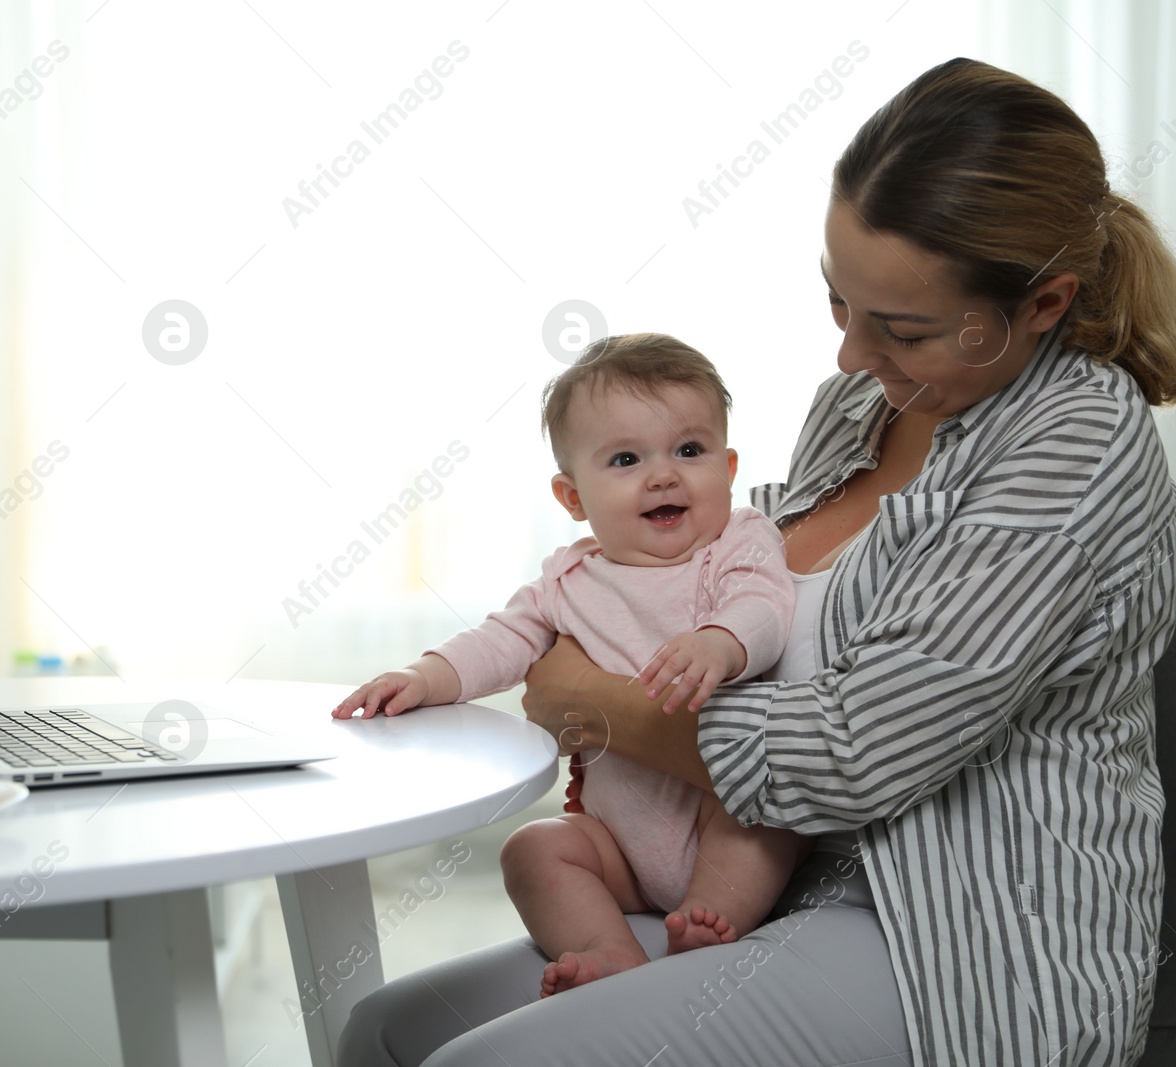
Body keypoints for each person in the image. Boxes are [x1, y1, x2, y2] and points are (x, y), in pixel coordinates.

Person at [337, 57, 1176, 1067]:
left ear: (1042, 305)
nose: (847, 358)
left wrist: (590, 699)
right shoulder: (869, 402)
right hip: (766, 876)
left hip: (953, 930)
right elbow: (744, 556)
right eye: (839, 304)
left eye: (898, 327)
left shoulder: (1074, 445)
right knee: (384, 1032)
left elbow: (853, 752)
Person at [335, 334, 801, 996]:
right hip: (620, 845)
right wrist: (424, 676)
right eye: (625, 458)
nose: (663, 473)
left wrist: (720, 641)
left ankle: (709, 922)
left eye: (689, 450)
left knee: (765, 817)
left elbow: (765, 604)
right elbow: (501, 641)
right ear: (573, 496)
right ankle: (607, 946)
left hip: (717, 808)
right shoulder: (569, 578)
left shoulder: (735, 542)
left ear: (727, 468)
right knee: (533, 848)